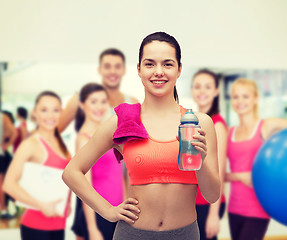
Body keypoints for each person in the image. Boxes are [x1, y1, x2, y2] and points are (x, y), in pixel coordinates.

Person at [63, 31, 221, 240]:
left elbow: (212, 196)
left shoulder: (199, 123)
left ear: (179, 69)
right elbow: (72, 172)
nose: (158, 72)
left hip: (185, 234)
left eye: (167, 64)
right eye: (149, 64)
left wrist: (199, 161)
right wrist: (108, 210)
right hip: (132, 234)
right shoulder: (123, 121)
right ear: (138, 69)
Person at [225, 78, 287, 240]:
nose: (240, 101)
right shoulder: (228, 132)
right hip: (234, 208)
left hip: (258, 209)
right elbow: (218, 174)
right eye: (235, 97)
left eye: (245, 96)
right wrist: (239, 176)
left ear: (255, 99)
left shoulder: (266, 126)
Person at [3, 91, 71, 240]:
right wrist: (41, 205)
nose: (50, 116)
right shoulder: (30, 144)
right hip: (36, 226)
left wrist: (68, 202)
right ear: (35, 113)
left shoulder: (60, 144)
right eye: (44, 110)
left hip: (58, 223)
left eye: (55, 110)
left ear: (61, 112)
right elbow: (8, 184)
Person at [72, 83, 123, 240]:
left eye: (103, 101)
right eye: (93, 102)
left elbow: (119, 175)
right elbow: (84, 188)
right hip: (99, 214)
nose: (99, 107)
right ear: (82, 105)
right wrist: (92, 228)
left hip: (118, 211)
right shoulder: (83, 140)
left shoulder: (109, 133)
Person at [58, 48, 138, 133]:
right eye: (107, 66)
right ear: (99, 70)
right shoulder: (81, 98)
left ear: (124, 70)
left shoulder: (133, 103)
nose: (112, 71)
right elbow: (53, 133)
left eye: (117, 67)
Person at [191, 69, 228, 240]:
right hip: (192, 200)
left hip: (208, 202)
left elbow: (218, 171)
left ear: (216, 91)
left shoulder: (217, 125)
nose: (202, 91)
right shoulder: (193, 121)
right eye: (197, 86)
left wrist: (213, 215)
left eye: (207, 87)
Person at [0, 111, 17, 218]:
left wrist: (6, 145)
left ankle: (4, 209)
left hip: (1, 155)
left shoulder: (3, 116)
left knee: (2, 183)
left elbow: (14, 132)